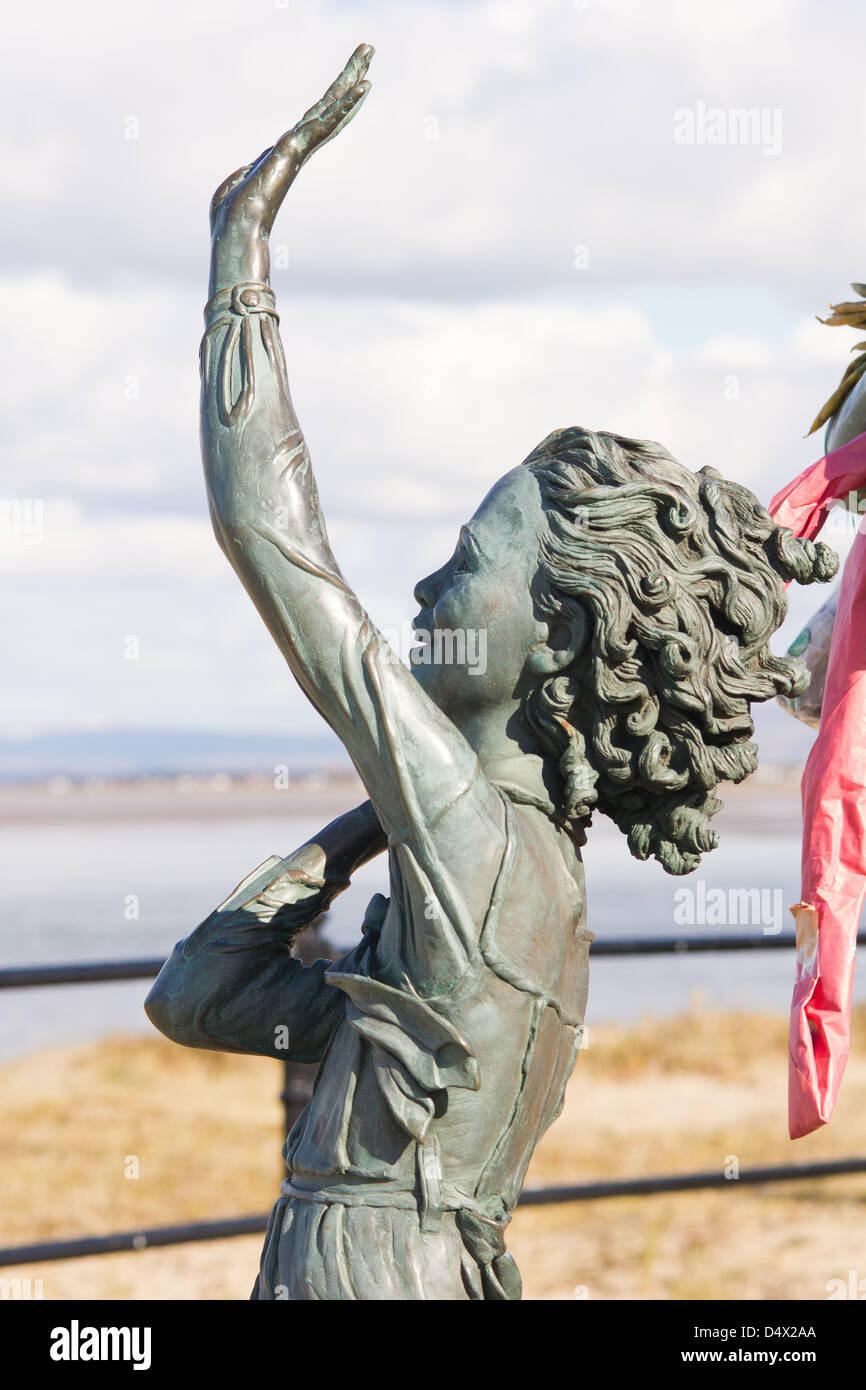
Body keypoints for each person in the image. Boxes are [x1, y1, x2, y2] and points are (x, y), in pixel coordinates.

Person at [145, 44, 837, 1299]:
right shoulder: (516, 881)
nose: (423, 597)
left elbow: (273, 540)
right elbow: (194, 994)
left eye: (466, 565)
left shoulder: (469, 836)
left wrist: (238, 256)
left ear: (564, 631)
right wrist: (376, 815)